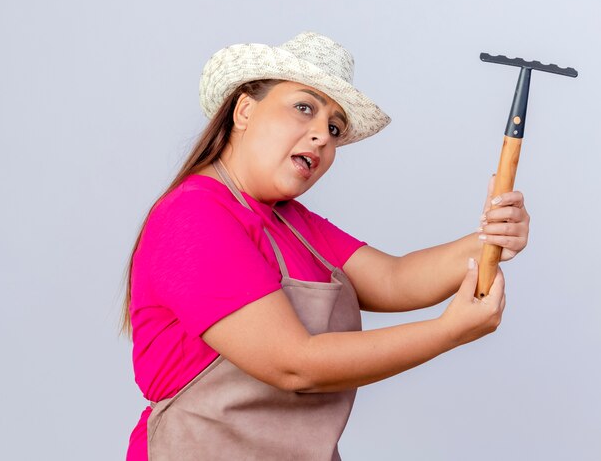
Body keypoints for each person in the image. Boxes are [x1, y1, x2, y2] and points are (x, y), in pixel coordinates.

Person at [122, 31, 530, 460]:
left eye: (334, 128)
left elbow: (395, 279)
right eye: (304, 108)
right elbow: (294, 363)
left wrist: (491, 238)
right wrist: (446, 333)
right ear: (244, 110)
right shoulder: (194, 216)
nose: (322, 136)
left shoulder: (294, 224)